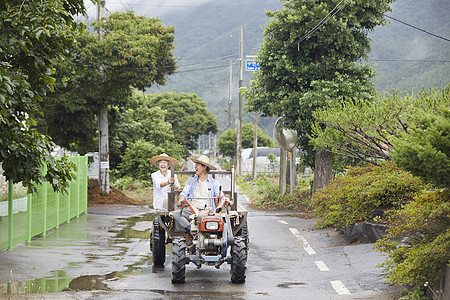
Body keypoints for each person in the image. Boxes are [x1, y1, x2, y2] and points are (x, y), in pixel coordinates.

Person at [173, 155, 225, 244]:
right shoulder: (191, 181)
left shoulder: (214, 183)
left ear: (204, 167)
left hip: (208, 211)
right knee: (176, 214)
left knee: (223, 220)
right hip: (192, 210)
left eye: (197, 165)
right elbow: (184, 193)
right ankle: (192, 232)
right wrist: (181, 200)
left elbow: (221, 197)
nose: (195, 167)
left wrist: (225, 202)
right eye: (195, 164)